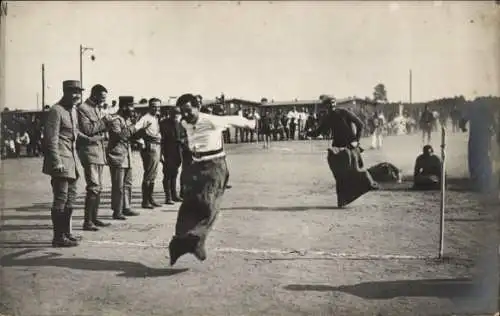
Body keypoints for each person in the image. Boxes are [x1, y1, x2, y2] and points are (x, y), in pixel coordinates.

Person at [168, 93, 256, 266]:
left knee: (209, 205)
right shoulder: (184, 122)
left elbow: (233, 120)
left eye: (188, 111)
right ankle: (180, 241)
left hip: (215, 166)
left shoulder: (211, 120)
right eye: (182, 112)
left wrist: (252, 123)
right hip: (196, 165)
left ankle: (196, 241)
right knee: (190, 204)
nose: (185, 115)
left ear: (197, 107)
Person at [43, 80, 99, 247]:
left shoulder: (73, 110)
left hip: (72, 161)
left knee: (71, 199)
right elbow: (51, 139)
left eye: (79, 92)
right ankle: (58, 237)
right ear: (65, 92)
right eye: (73, 92)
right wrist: (56, 161)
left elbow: (75, 133)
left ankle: (66, 233)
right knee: (60, 199)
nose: (77, 95)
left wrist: (89, 139)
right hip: (60, 161)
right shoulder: (56, 111)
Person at [306, 97, 378, 208]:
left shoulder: (339, 114)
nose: (331, 108)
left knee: (347, 173)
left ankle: (349, 196)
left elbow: (360, 125)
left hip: (346, 148)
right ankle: (344, 199)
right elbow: (318, 132)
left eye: (332, 105)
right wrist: (308, 133)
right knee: (344, 174)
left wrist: (356, 141)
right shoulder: (330, 117)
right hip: (342, 148)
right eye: (330, 106)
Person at [77, 84, 112, 231]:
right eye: (102, 97)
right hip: (89, 152)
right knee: (93, 187)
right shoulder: (83, 109)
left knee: (98, 187)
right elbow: (87, 129)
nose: (104, 100)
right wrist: (104, 122)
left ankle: (94, 218)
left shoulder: (97, 108)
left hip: (98, 151)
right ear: (95, 95)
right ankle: (87, 222)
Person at [106, 96, 148, 220]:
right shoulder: (116, 120)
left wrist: (142, 131)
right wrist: (134, 127)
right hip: (117, 156)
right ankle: (117, 210)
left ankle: (126, 207)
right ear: (124, 106)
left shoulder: (127, 119)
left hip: (127, 156)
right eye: (130, 106)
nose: (132, 109)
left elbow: (132, 135)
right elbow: (120, 136)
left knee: (127, 184)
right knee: (118, 185)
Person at [135, 98, 162, 209]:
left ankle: (150, 199)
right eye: (154, 106)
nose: (156, 108)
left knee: (153, 174)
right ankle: (145, 201)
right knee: (149, 174)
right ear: (149, 107)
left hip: (157, 146)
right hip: (150, 146)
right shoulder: (145, 118)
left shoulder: (155, 118)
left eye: (158, 107)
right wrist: (141, 142)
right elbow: (136, 131)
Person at [160, 106, 184, 205]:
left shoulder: (181, 124)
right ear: (170, 114)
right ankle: (168, 197)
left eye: (178, 113)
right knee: (167, 175)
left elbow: (184, 136)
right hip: (167, 152)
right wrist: (160, 154)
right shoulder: (163, 124)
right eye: (174, 113)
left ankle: (174, 195)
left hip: (178, 153)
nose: (176, 115)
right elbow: (161, 140)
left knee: (174, 173)